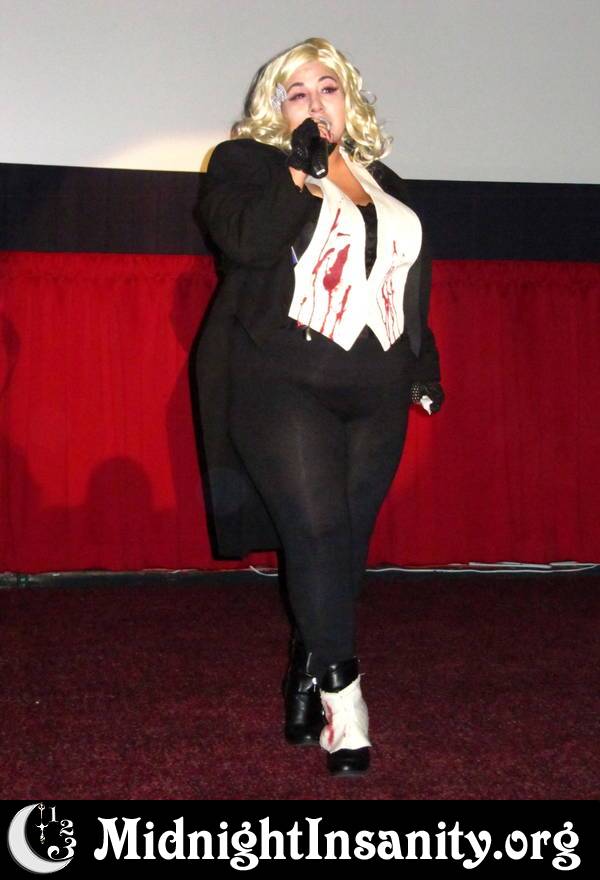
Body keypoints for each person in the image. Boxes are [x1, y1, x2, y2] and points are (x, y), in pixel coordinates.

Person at [194, 36, 444, 777]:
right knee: (318, 528)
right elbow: (245, 242)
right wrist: (301, 175)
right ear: (276, 109)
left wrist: (422, 364)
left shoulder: (383, 180)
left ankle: (307, 670)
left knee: (342, 546)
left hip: (376, 384)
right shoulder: (246, 164)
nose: (314, 102)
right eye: (296, 92)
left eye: (327, 88)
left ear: (348, 99)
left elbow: (401, 277)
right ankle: (347, 699)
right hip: (281, 378)